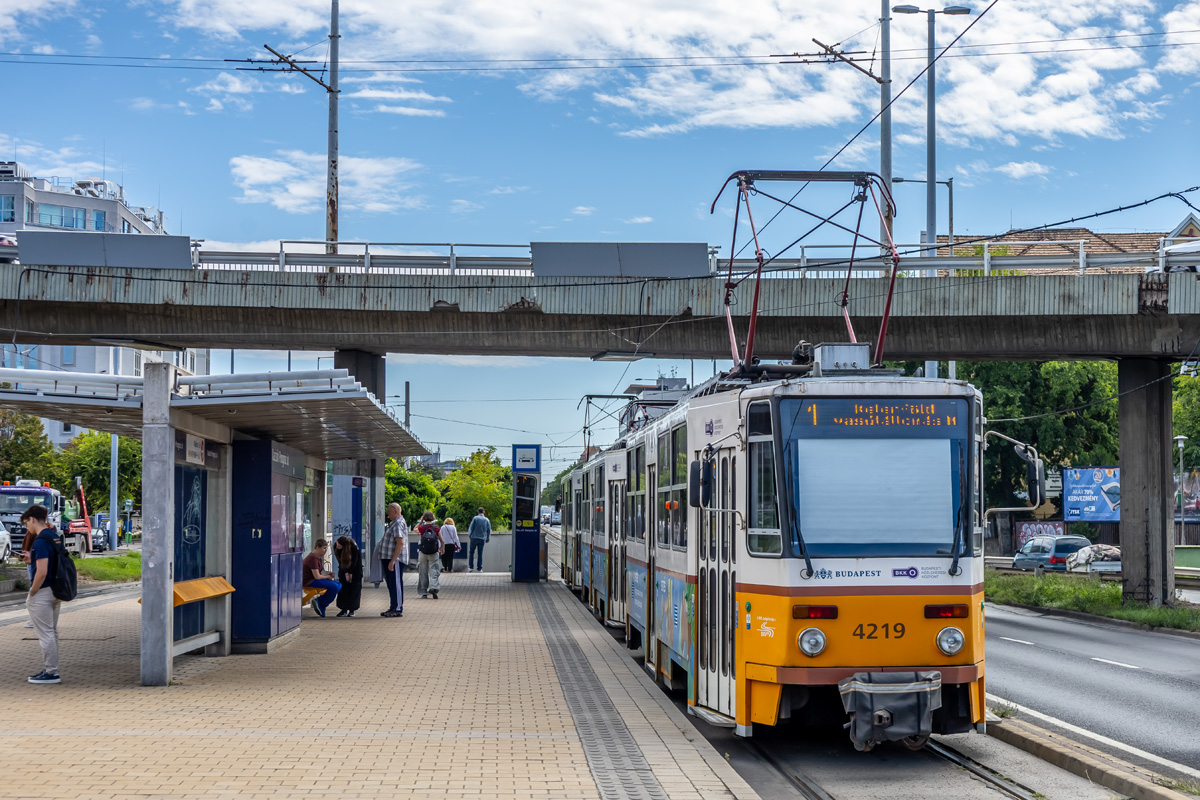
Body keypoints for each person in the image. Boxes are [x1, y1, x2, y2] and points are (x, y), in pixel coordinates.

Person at [24, 505, 62, 684]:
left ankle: (52, 672)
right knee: (52, 632)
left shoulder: (40, 541)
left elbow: (41, 572)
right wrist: (32, 558)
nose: (27, 528)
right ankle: (50, 668)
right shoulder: (54, 537)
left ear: (32, 519)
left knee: (45, 633)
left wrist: (32, 592)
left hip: (43, 591)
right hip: (56, 590)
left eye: (26, 524)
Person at [379, 503, 408, 617]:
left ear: (396, 511)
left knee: (395, 584)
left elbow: (400, 542)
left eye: (389, 511)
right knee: (391, 584)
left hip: (394, 560)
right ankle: (393, 607)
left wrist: (393, 560)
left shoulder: (398, 523)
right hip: (390, 559)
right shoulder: (394, 523)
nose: (388, 514)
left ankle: (397, 608)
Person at [303, 539, 341, 618]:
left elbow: (321, 572)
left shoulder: (318, 558)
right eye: (324, 548)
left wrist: (328, 573)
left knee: (338, 585)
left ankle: (321, 604)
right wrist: (328, 577)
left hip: (315, 579)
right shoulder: (312, 558)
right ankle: (321, 603)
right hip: (309, 581)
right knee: (333, 586)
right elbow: (317, 576)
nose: (325, 551)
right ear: (317, 547)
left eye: (326, 549)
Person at [333, 536, 363, 618]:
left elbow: (355, 561)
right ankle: (343, 609)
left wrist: (351, 573)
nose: (337, 547)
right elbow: (340, 561)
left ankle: (352, 610)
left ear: (345, 546)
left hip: (356, 570)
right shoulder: (336, 546)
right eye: (337, 545)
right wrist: (346, 573)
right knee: (343, 589)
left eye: (339, 546)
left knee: (354, 589)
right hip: (343, 569)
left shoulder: (353, 547)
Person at [415, 511, 442, 599]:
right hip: (434, 552)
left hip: (423, 552)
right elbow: (442, 540)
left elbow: (415, 529)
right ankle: (433, 587)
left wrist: (421, 521)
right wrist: (442, 548)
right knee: (434, 569)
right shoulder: (436, 528)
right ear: (433, 518)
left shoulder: (422, 528)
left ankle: (424, 592)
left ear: (424, 518)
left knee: (423, 571)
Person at [467, 507, 492, 572]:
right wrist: (488, 538)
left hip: (474, 537)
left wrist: (470, 535)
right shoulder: (487, 520)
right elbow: (488, 530)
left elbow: (471, 528)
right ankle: (479, 568)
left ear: (478, 512)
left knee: (471, 552)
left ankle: (471, 567)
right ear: (484, 512)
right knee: (480, 553)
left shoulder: (475, 518)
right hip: (482, 538)